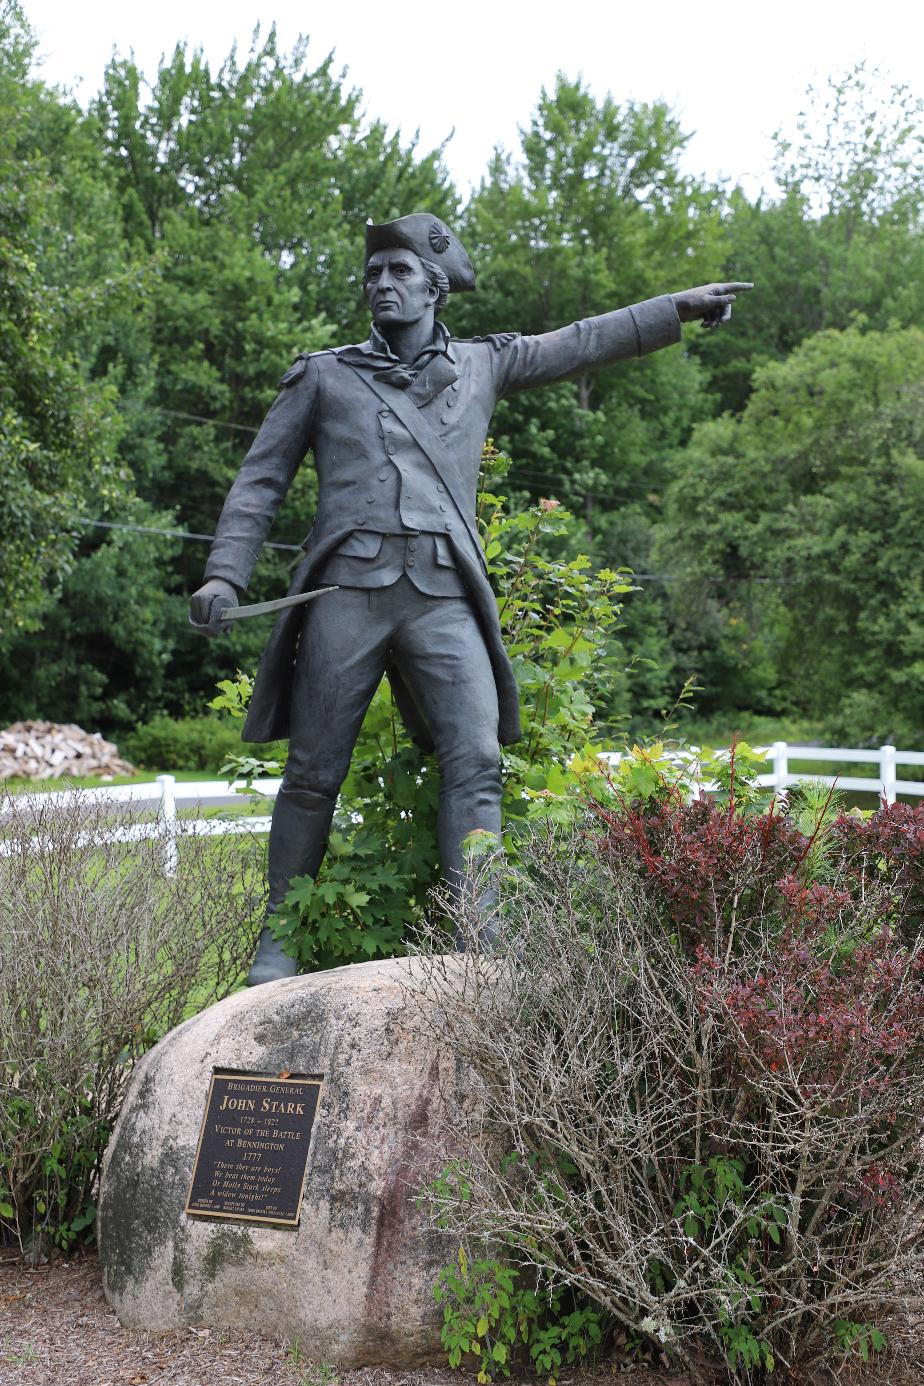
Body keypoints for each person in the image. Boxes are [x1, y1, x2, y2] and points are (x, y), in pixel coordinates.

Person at [190, 212, 751, 984]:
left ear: (435, 287)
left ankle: (481, 941)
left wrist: (673, 309)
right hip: (346, 591)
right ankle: (277, 943)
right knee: (314, 772)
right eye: (373, 275)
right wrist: (225, 573)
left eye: (399, 273)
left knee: (476, 762)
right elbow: (260, 481)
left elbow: (581, 340)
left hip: (445, 597)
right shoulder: (324, 374)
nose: (381, 285)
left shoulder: (487, 364)